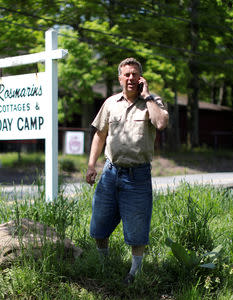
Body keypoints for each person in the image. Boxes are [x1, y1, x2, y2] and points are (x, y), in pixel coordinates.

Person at [85, 57, 169, 284]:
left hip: (138, 176)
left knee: (137, 229)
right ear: (120, 78)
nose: (131, 78)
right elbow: (100, 134)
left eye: (135, 74)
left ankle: (135, 272)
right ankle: (104, 265)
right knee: (99, 225)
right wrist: (92, 165)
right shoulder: (111, 103)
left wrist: (147, 95)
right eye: (127, 74)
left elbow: (161, 124)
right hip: (110, 173)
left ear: (141, 78)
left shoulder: (153, 102)